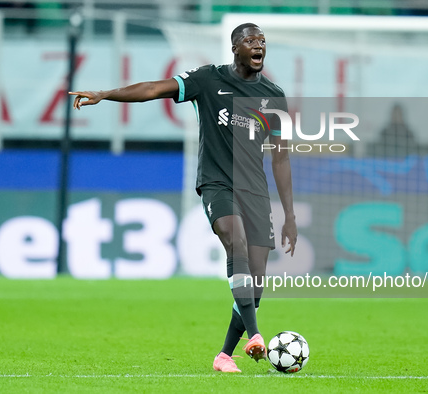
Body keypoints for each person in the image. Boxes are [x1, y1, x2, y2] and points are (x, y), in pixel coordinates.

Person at [69, 23, 298, 373]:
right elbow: (152, 88)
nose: (258, 46)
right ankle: (254, 336)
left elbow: (281, 158)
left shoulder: (274, 95)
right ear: (235, 47)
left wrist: (291, 216)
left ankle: (224, 356)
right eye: (250, 41)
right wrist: (106, 93)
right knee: (234, 241)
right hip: (217, 184)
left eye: (262, 41)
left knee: (256, 285)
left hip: (255, 192)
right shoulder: (207, 80)